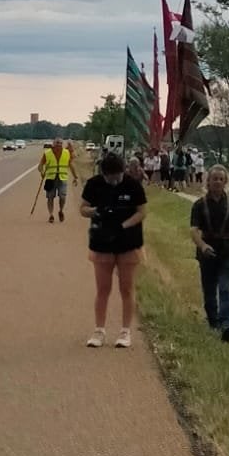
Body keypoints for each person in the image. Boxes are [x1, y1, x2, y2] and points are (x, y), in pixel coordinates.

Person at [80, 147, 147, 348]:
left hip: (128, 242)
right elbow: (82, 209)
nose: (114, 181)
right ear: (103, 173)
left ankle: (125, 332)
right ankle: (99, 330)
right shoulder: (94, 184)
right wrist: (96, 211)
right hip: (102, 242)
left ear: (123, 171)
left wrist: (122, 225)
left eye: (117, 176)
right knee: (103, 288)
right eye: (110, 177)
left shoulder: (133, 185)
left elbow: (142, 212)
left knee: (126, 288)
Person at [189, 164, 229, 342]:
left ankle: (227, 324)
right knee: (210, 289)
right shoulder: (199, 205)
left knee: (225, 289)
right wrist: (203, 246)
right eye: (214, 179)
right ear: (208, 181)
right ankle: (213, 321)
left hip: (226, 252)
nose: (218, 182)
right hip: (207, 254)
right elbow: (194, 230)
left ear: (225, 181)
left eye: (221, 179)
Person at [39, 136, 75, 225]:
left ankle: (61, 211)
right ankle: (51, 215)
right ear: (53, 144)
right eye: (57, 143)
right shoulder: (47, 153)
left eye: (60, 143)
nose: (59, 145)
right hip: (50, 179)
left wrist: (76, 177)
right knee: (50, 197)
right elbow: (40, 166)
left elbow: (70, 165)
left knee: (62, 197)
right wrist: (42, 172)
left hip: (62, 178)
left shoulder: (66, 153)